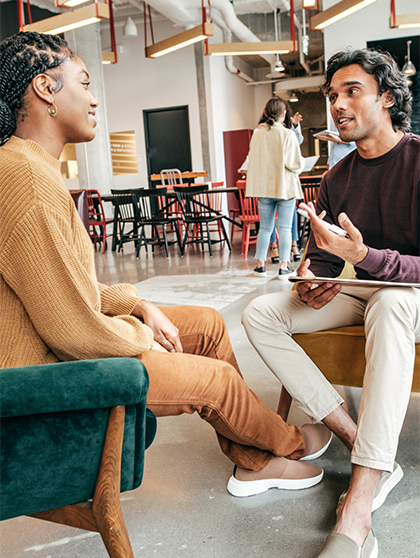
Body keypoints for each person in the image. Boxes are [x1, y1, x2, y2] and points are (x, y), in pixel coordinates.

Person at [0, 31, 334, 500]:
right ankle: (286, 446)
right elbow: (72, 330)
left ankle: (258, 459)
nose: (95, 100)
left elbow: (72, 288)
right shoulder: (27, 180)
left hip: (62, 344)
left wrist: (140, 305)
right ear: (44, 89)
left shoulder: (29, 167)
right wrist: (145, 337)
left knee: (210, 325)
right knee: (213, 379)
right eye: (84, 82)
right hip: (49, 375)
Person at [242, 47, 417, 556]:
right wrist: (309, 277)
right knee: (261, 312)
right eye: (331, 95)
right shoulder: (338, 178)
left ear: (387, 97)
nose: (337, 104)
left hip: (409, 297)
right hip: (367, 289)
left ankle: (360, 502)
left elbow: (396, 269)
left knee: (393, 302)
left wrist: (366, 257)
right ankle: (357, 439)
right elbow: (322, 256)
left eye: (352, 91)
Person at [246, 97, 304, 280]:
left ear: (265, 113)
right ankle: (283, 268)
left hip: (263, 188)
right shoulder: (287, 134)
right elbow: (295, 164)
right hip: (284, 188)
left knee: (265, 227)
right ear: (284, 114)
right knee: (285, 228)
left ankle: (260, 266)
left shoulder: (257, 133)